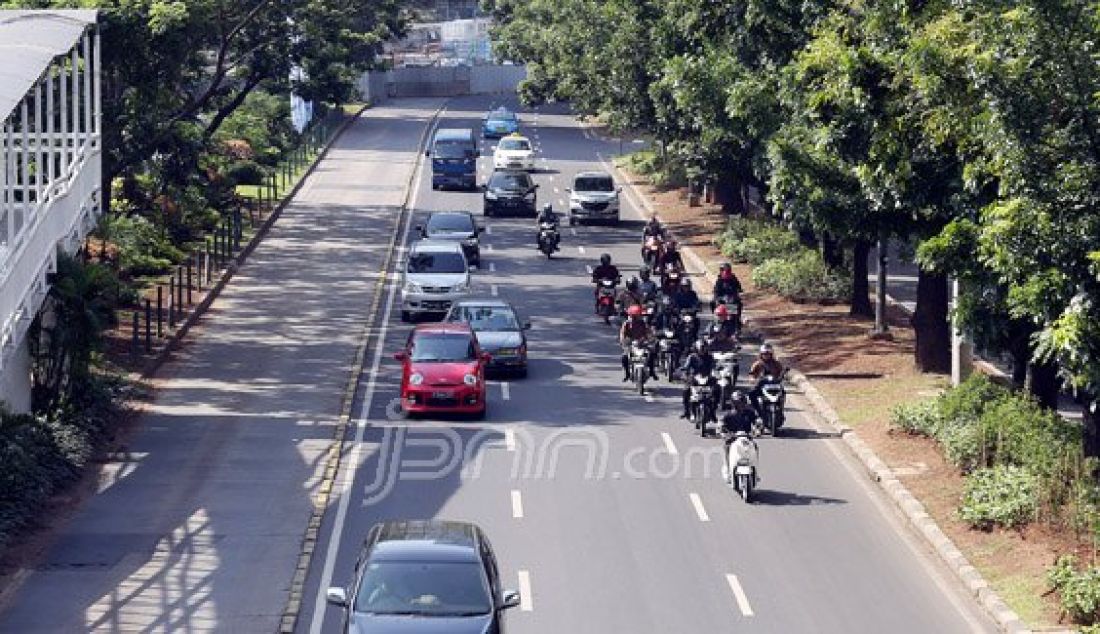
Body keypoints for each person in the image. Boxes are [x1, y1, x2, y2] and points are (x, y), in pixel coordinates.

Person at [721, 392, 759, 479]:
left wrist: (758, 427)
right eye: (737, 403)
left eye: (741, 402)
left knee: (755, 447)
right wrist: (724, 432)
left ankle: (755, 471)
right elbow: (721, 425)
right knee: (727, 448)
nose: (740, 405)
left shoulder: (750, 413)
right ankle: (728, 468)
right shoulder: (728, 415)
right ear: (733, 403)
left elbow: (757, 421)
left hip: (747, 438)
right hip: (732, 438)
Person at [680, 339, 716, 419]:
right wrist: (685, 373)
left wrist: (715, 374)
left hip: (707, 378)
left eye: (704, 348)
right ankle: (686, 411)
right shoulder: (692, 357)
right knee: (686, 391)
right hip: (694, 378)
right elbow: (686, 367)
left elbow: (714, 367)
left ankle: (713, 412)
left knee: (716, 391)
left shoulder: (710, 357)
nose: (702, 350)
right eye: (701, 348)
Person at [619, 304, 656, 381]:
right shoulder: (626, 324)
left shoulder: (643, 323)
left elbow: (649, 333)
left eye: (637, 315)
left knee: (652, 354)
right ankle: (627, 374)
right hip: (631, 344)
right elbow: (622, 334)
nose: (635, 317)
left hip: (642, 343)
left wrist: (651, 340)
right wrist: (623, 342)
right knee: (624, 357)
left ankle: (652, 372)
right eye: (633, 316)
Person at [749, 342, 785, 416]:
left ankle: (780, 410)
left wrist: (781, 376)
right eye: (764, 354)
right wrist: (752, 379)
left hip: (774, 385)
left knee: (783, 393)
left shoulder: (776, 363)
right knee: (752, 394)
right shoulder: (757, 364)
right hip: (761, 385)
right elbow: (751, 373)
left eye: (768, 354)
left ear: (771, 354)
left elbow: (781, 372)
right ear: (761, 354)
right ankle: (757, 410)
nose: (766, 356)